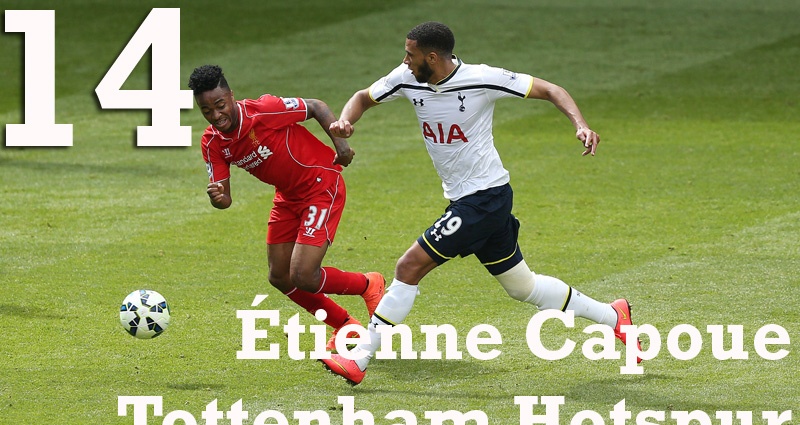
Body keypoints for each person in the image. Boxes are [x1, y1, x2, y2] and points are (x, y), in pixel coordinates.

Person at [320, 22, 642, 385]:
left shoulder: (481, 79)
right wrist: (346, 121)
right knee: (523, 287)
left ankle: (359, 358)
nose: (405, 60)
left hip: (483, 200)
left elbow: (552, 90)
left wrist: (580, 125)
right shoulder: (406, 78)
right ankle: (614, 316)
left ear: (432, 57)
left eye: (410, 54)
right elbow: (363, 97)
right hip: (479, 200)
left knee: (408, 266)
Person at [187, 64, 385, 351]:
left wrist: (341, 146)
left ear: (231, 96)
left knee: (304, 275)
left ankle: (368, 284)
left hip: (320, 184)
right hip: (288, 197)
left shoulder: (264, 110)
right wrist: (217, 198)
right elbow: (225, 198)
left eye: (220, 105)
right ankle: (345, 326)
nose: (216, 115)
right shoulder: (212, 142)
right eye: (206, 111)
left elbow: (316, 106)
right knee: (279, 276)